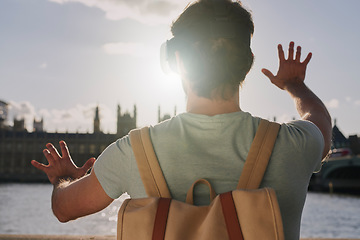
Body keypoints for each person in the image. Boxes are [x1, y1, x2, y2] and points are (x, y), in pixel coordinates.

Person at [31, 0, 332, 239]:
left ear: (176, 61)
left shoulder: (133, 151)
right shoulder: (294, 144)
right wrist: (295, 85)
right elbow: (318, 119)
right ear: (247, 64)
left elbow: (64, 208)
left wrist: (63, 178)